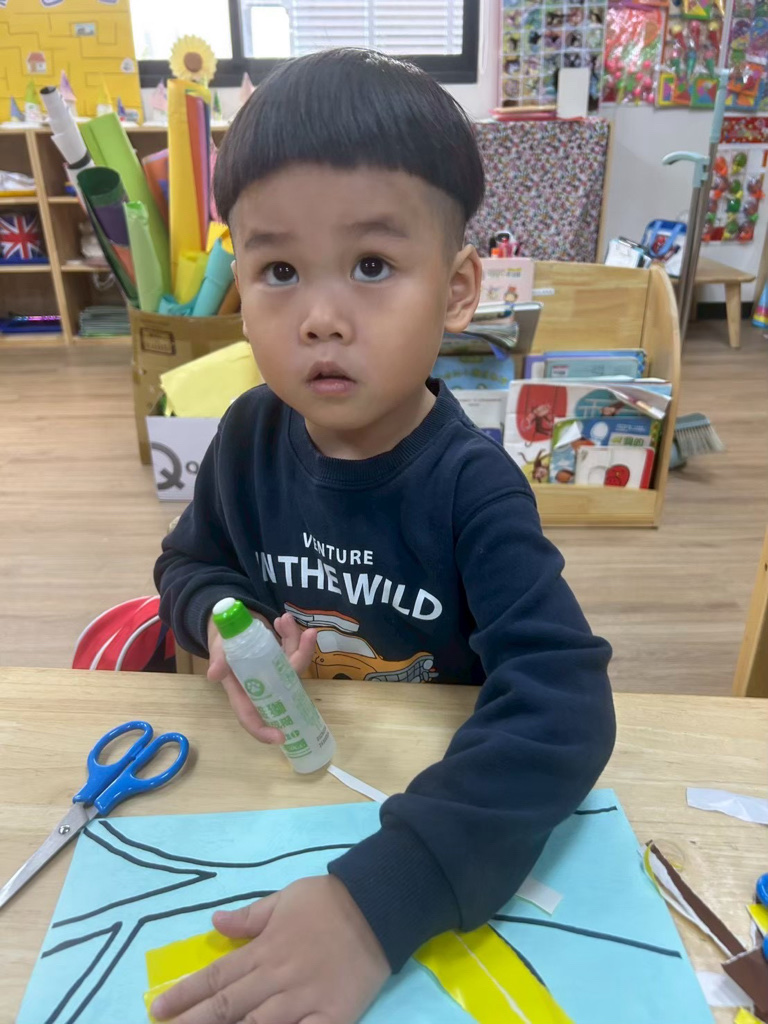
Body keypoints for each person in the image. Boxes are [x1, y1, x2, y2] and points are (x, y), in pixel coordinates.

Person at [153, 47, 615, 1024]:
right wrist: (224, 624)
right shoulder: (246, 437)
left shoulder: (473, 488)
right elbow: (190, 563)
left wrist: (377, 908)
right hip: (281, 784)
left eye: (371, 266)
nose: (321, 317)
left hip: (429, 806)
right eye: (280, 270)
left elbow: (565, 706)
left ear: (456, 290)